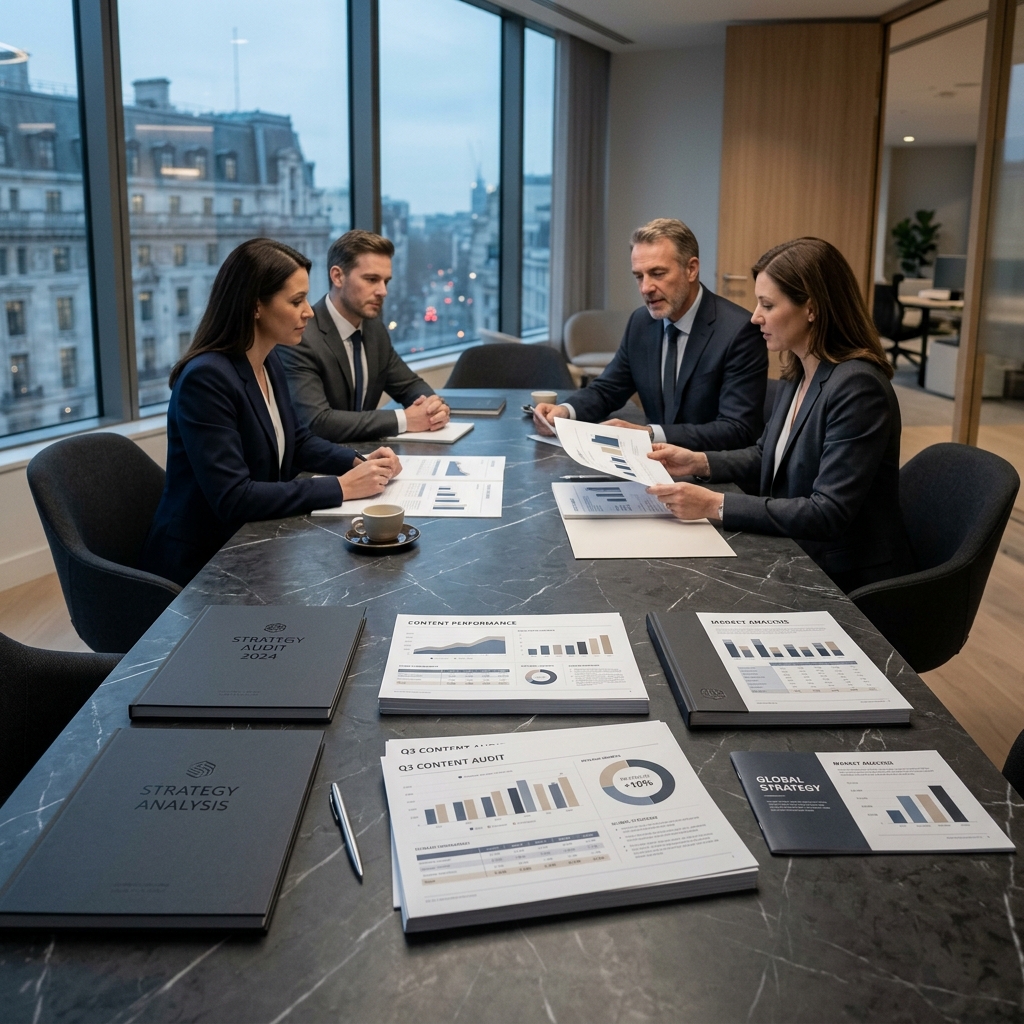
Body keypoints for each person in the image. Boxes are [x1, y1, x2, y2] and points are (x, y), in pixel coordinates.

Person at [644, 237, 913, 594]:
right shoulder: (801, 369)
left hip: (845, 580)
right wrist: (697, 462)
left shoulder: (858, 387)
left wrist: (714, 504)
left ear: (812, 309)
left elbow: (827, 513)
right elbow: (766, 456)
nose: (755, 317)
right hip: (795, 551)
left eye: (767, 305)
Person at [140, 238, 401, 587]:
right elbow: (235, 498)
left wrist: (356, 462)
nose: (309, 310)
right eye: (296, 301)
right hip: (201, 568)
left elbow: (297, 439)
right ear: (255, 307)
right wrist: (340, 488)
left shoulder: (268, 359)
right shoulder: (206, 379)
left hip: (252, 545)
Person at [532, 218, 767, 449]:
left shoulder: (739, 331)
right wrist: (565, 411)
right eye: (639, 276)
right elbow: (608, 389)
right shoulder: (641, 322)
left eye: (657, 273)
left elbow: (737, 429)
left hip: (710, 474)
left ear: (691, 269)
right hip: (653, 467)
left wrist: (650, 434)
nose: (646, 288)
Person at [277, 230, 450, 442]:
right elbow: (317, 422)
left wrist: (434, 407)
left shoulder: (373, 329)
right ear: (338, 276)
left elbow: (409, 385)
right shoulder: (300, 337)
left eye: (385, 281)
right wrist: (404, 420)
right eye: (371, 279)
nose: (382, 291)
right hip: (317, 468)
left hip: (368, 458)